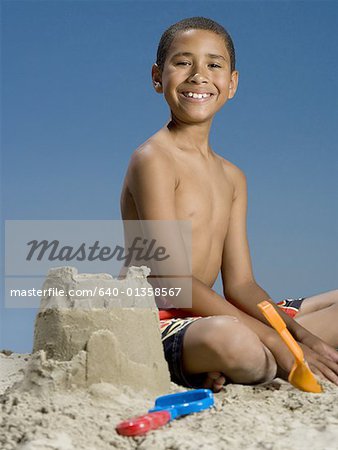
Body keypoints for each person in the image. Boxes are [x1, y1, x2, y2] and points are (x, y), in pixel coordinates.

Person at [120, 17, 338, 392]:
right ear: (158, 77)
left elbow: (241, 285)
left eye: (214, 65)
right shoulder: (153, 159)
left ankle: (259, 354)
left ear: (232, 83)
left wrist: (300, 336)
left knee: (276, 336)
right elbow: (171, 282)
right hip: (158, 318)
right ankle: (250, 355)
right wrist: (277, 341)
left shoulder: (233, 177)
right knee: (241, 346)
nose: (198, 76)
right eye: (183, 62)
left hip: (215, 311)